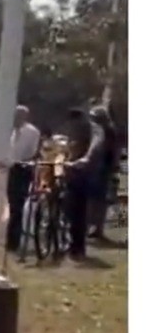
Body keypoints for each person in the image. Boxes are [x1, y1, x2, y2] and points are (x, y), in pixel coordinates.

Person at [61, 107, 106, 260]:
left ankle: (78, 247)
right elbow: (67, 145)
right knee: (69, 209)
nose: (72, 126)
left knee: (78, 211)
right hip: (71, 171)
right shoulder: (73, 130)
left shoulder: (94, 129)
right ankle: (68, 241)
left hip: (86, 173)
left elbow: (96, 144)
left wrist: (86, 158)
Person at [3, 105, 43, 255]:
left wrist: (25, 162)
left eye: (18, 115)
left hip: (23, 169)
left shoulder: (32, 132)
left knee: (17, 206)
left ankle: (13, 242)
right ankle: (11, 239)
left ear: (24, 116)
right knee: (12, 205)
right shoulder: (11, 131)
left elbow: (34, 152)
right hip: (11, 169)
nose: (15, 118)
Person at [87, 105, 122, 240]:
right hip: (97, 167)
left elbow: (111, 150)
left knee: (99, 200)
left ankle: (97, 228)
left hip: (103, 168)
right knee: (94, 199)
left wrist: (113, 166)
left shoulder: (108, 131)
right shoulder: (100, 131)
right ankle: (93, 226)